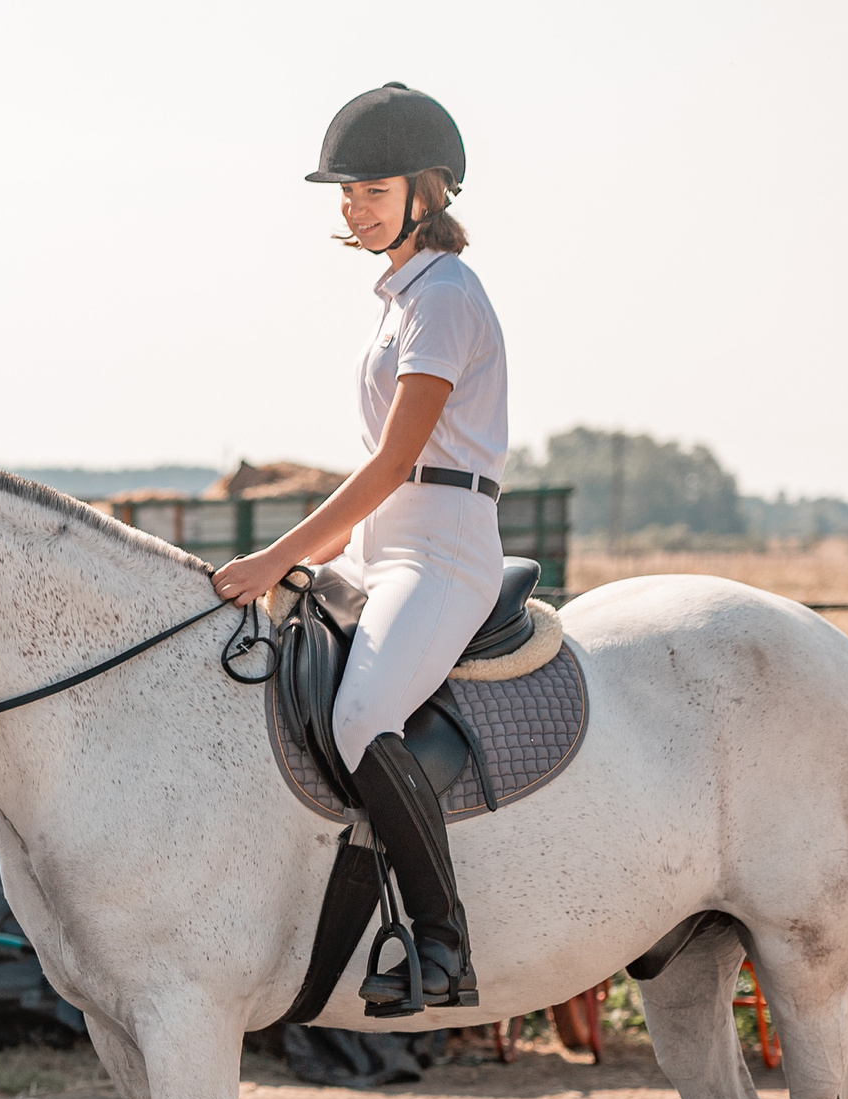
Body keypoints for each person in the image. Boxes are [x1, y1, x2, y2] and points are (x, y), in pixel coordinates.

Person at [208, 82, 506, 1017]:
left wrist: (271, 557)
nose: (352, 207)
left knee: (360, 713)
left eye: (370, 189)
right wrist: (301, 563)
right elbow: (379, 483)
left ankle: (443, 940)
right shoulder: (399, 296)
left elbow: (392, 461)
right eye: (345, 193)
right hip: (389, 541)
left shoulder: (447, 295)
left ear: (427, 190)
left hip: (444, 549)